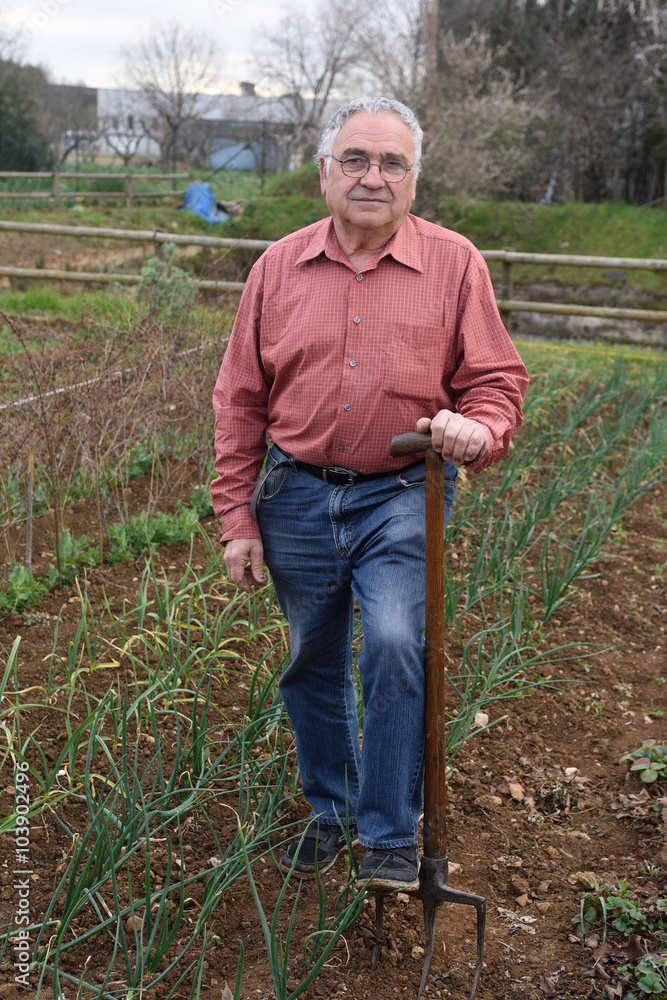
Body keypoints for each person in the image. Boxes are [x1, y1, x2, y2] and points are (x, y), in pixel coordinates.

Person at [211, 97, 528, 892]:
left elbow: (495, 381)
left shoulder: (455, 264)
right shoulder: (276, 267)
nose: (372, 177)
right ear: (323, 172)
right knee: (310, 659)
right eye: (354, 158)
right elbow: (239, 400)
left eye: (391, 163)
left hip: (401, 492)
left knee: (392, 642)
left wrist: (477, 430)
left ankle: (388, 834)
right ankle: (331, 811)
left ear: (414, 179)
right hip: (294, 494)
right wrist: (237, 517)